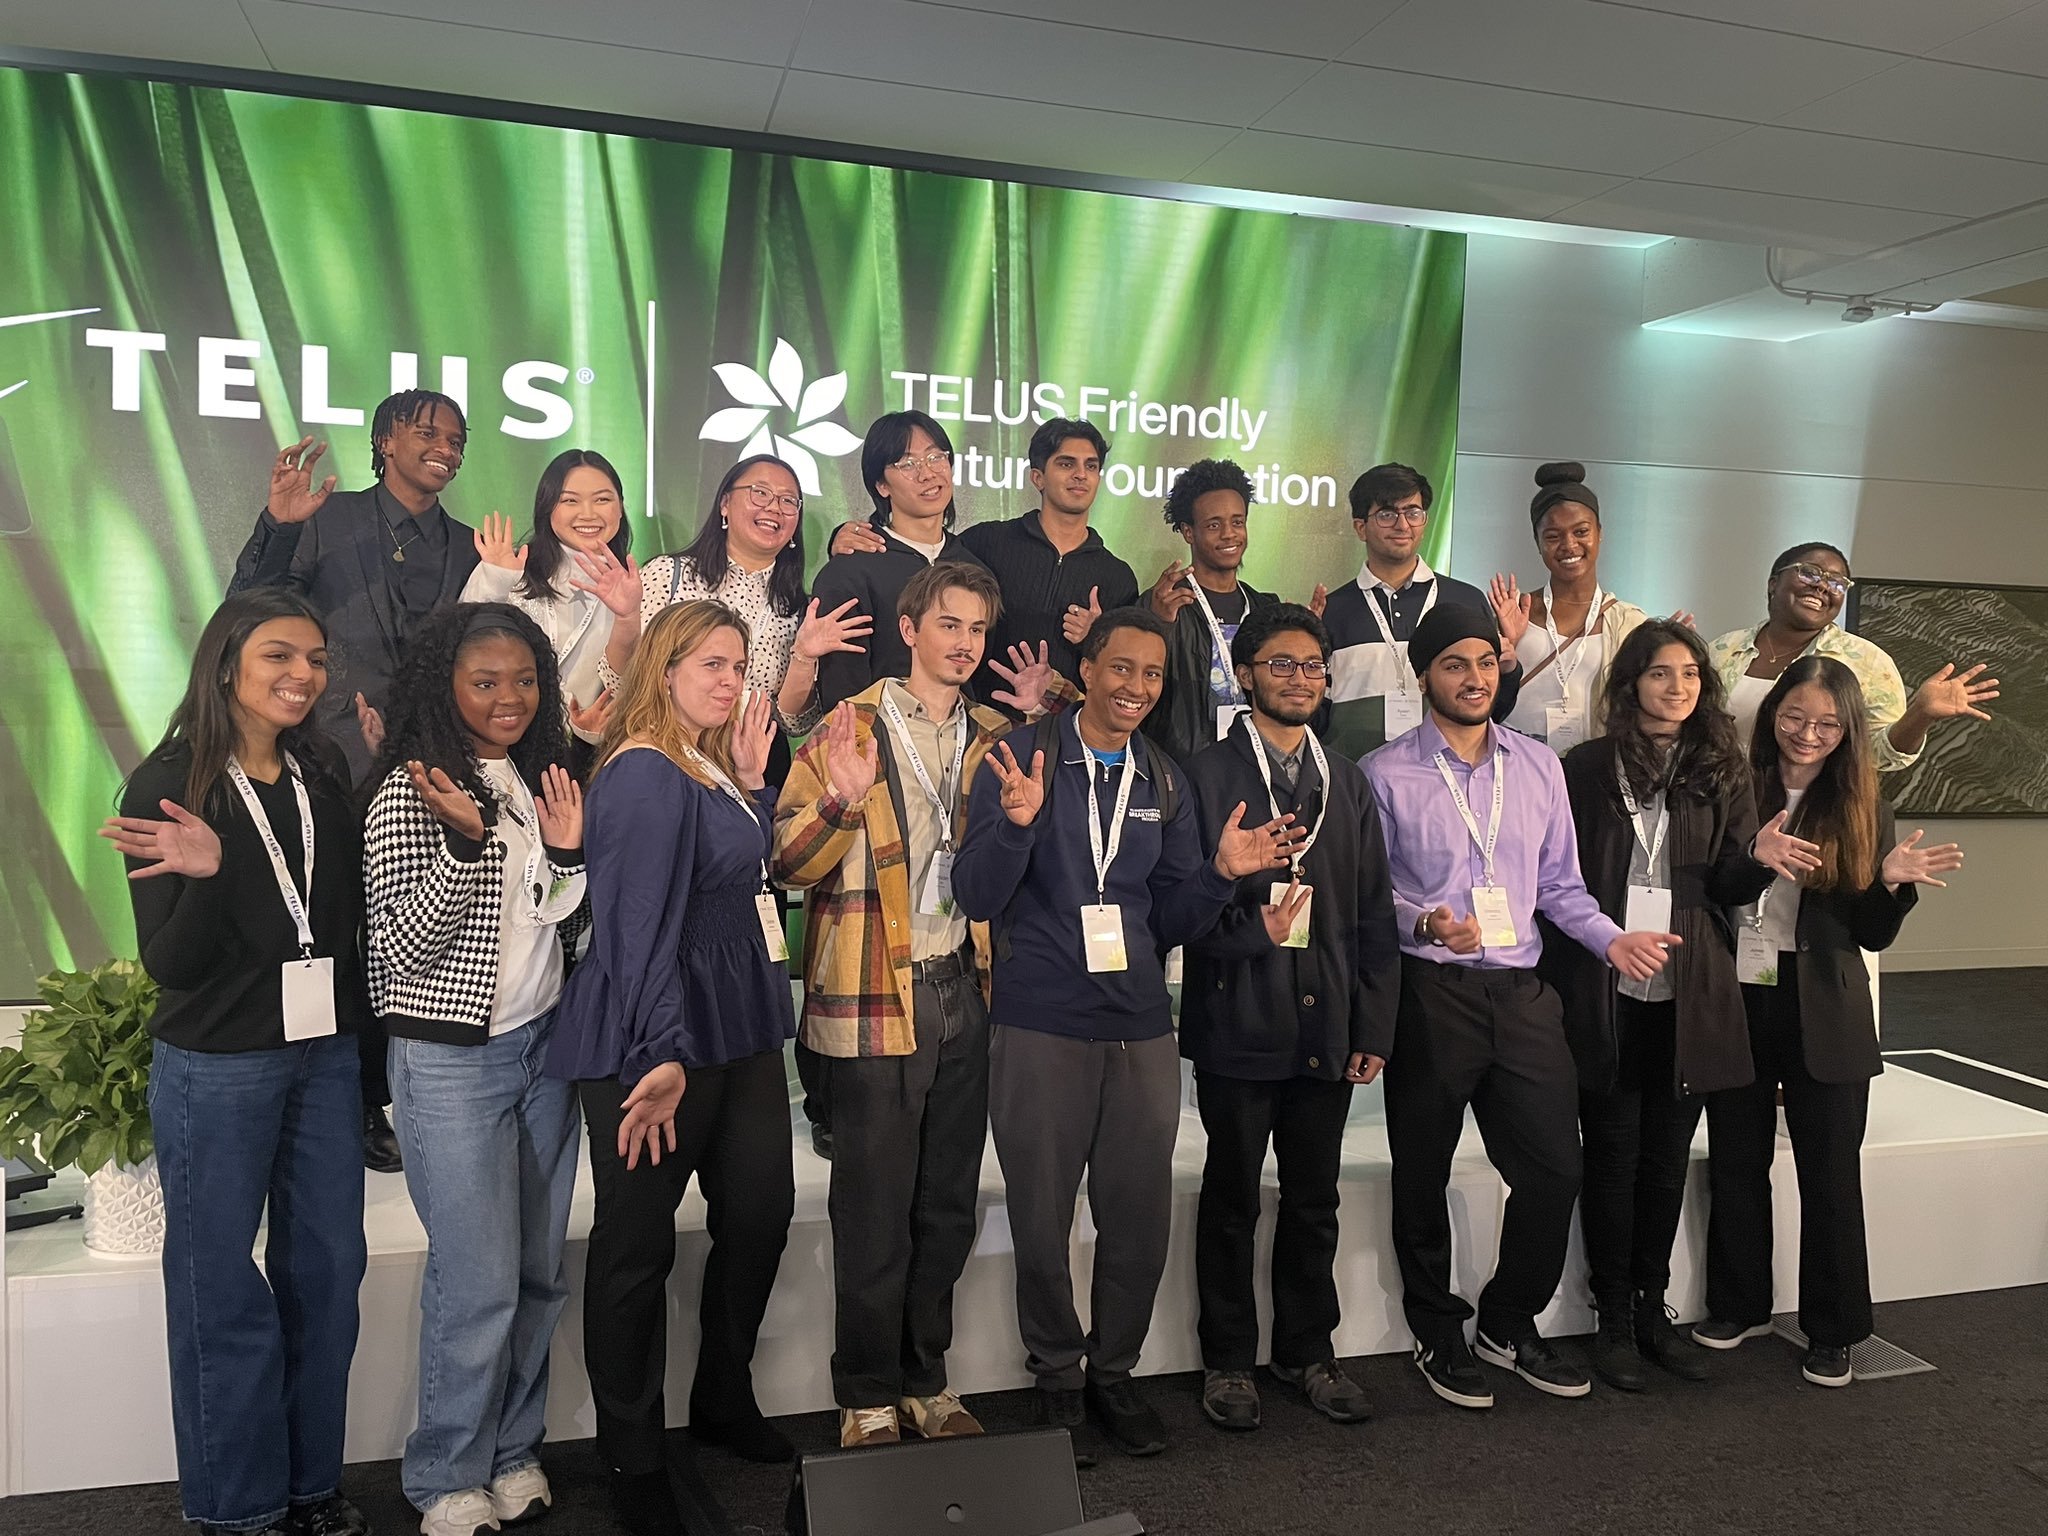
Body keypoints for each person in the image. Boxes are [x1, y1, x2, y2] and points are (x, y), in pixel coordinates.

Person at [953, 606, 1299, 1461]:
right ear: (1088, 666)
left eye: (1152, 676)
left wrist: (1221, 874)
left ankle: (1114, 1374)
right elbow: (975, 893)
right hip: (1041, 1020)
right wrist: (1016, 824)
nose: (1136, 688)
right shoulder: (1024, 754)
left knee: (1138, 1217)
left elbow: (1170, 916)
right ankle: (1059, 1377)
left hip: (1141, 1024)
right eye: (1121, 669)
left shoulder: (1163, 777)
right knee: (1040, 1216)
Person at [99, 590, 371, 1536]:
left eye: (315, 659)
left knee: (330, 1279)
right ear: (226, 667)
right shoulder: (170, 784)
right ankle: (239, 1511)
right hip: (219, 1066)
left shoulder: (321, 767)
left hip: (325, 1058)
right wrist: (212, 876)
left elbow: (338, 921)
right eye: (278, 658)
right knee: (223, 1289)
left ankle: (309, 1488)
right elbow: (170, 965)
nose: (303, 676)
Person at [1362, 604, 1681, 1411]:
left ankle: (1507, 1321)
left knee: (1555, 1170)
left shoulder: (1538, 766)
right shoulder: (1382, 772)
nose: (1475, 678)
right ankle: (1437, 1331)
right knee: (1422, 1174)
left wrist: (1610, 941)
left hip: (1524, 994)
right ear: (1424, 674)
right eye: (1454, 665)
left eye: (1485, 662)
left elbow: (1562, 887)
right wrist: (1424, 920)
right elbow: (1373, 895)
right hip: (1431, 994)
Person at [772, 562, 1056, 1449]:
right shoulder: (847, 724)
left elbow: (1009, 875)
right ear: (911, 628)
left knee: (945, 1207)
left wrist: (1018, 824)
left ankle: (926, 1380)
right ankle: (864, 1394)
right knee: (874, 1207)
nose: (964, 642)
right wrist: (841, 805)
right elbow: (786, 862)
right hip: (866, 995)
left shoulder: (998, 737)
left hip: (960, 993)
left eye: (977, 629)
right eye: (949, 625)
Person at [546, 601, 797, 1536]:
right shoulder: (645, 770)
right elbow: (634, 924)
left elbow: (738, 875)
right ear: (662, 663)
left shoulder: (709, 762)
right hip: (658, 1036)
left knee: (762, 1211)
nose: (730, 681)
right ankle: (633, 1454)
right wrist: (661, 1051)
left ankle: (723, 1395)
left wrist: (753, 787)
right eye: (710, 664)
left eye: (739, 665)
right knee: (637, 1246)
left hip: (736, 1024)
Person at [1541, 621, 1820, 1392]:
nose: (1678, 687)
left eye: (1691, 674)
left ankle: (1651, 1306)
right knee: (1614, 1156)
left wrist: (1757, 864)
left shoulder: (1722, 767)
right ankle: (1612, 1321)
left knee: (1665, 1162)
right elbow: (1559, 874)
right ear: (1630, 683)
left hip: (1690, 986)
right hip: (1605, 981)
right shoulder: (1585, 766)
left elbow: (1727, 886)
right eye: (1661, 673)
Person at [362, 603, 588, 1536]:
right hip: (451, 1061)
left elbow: (564, 925)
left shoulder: (544, 777)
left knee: (538, 1271)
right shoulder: (409, 790)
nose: (507, 698)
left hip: (544, 1050)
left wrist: (568, 856)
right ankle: (446, 1472)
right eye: (484, 681)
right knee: (479, 1275)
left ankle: (512, 1450)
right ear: (444, 686)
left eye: (523, 680)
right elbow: (408, 948)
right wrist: (462, 846)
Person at [1692, 658, 1963, 1387]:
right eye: (1794, 718)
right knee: (1737, 1158)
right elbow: (1714, 886)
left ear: (1847, 731)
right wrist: (1755, 858)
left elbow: (1870, 935)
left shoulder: (1864, 804)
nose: (1807, 734)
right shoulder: (1735, 786)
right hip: (1743, 993)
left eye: (1825, 724)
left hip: (1826, 1004)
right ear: (1773, 712)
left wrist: (1891, 885)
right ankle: (1738, 1303)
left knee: (1831, 1173)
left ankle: (1835, 1329)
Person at [229, 388, 478, 1174]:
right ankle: (353, 1100)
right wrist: (278, 527)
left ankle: (403, 1088)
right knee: (336, 932)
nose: (443, 444)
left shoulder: (474, 548)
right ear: (384, 440)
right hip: (332, 764)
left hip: (433, 771)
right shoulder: (325, 523)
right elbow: (247, 611)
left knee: (419, 933)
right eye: (426, 430)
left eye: (456, 436)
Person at [1180, 604, 1401, 1432]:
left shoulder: (1348, 779)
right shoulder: (1203, 775)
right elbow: (1182, 911)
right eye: (1281, 665)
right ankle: (1228, 1361)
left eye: (1313, 666)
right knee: (1231, 1197)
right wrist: (1252, 930)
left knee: (1314, 1200)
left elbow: (1374, 912)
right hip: (1238, 1020)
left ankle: (1307, 1350)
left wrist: (1374, 1026)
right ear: (1244, 675)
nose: (1301, 679)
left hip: (1328, 1028)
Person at [582, 452, 867, 757]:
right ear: (725, 504)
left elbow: (793, 723)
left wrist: (804, 657)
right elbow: (622, 680)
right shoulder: (668, 574)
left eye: (788, 501)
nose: (774, 507)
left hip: (754, 764)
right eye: (760, 493)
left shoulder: (801, 608)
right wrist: (626, 618)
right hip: (664, 750)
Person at [1706, 541, 1996, 770]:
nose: (1821, 586)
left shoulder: (1867, 662)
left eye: (1836, 583)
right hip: (1718, 810)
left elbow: (1883, 756)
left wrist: (1921, 715)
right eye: (1808, 572)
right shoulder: (1722, 651)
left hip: (1813, 815)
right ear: (1773, 584)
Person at [1322, 462, 1524, 759]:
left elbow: (1493, 708)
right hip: (1352, 780)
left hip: (1447, 780)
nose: (1403, 525)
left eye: (1413, 513)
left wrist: (1509, 669)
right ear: (1360, 527)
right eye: (1388, 514)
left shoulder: (1466, 601)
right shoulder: (1332, 610)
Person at [458, 447, 634, 755]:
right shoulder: (513, 570)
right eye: (570, 500)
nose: (588, 513)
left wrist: (586, 727)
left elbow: (633, 682)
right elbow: (462, 649)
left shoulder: (635, 586)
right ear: (547, 507)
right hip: (505, 745)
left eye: (603, 499)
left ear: (620, 508)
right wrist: (495, 581)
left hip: (593, 753)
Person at [811, 414, 986, 712]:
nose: (927, 473)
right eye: (908, 464)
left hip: (962, 748)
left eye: (935, 457)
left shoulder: (974, 570)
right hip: (875, 748)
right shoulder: (850, 572)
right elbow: (841, 695)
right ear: (881, 485)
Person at [958, 417, 1139, 701]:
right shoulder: (986, 543)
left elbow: (1123, 675)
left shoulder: (1118, 577)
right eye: (1067, 464)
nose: (1081, 474)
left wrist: (1097, 639)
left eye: (1090, 466)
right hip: (981, 723)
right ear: (1037, 478)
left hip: (1067, 732)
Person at [1491, 462, 1653, 756]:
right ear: (1537, 542)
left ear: (1599, 533)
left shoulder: (1630, 624)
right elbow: (1481, 696)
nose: (1569, 545)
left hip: (1597, 773)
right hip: (1517, 767)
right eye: (1553, 536)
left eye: (1581, 531)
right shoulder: (1514, 614)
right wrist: (1505, 647)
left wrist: (1671, 653)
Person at [1145, 457, 1277, 765]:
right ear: (1189, 532)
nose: (1229, 534)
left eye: (1237, 521)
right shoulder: (1163, 604)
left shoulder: (1265, 607)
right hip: (1182, 770)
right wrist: (1159, 625)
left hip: (1256, 766)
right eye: (1214, 525)